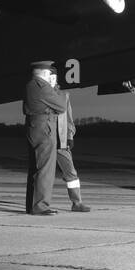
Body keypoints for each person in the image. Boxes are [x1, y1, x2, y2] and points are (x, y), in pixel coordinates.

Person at [23, 60, 66, 215]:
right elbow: (61, 105)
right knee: (45, 169)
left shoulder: (31, 85)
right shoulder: (42, 87)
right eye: (49, 74)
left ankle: (32, 206)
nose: (51, 77)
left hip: (35, 128)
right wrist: (55, 87)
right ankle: (40, 206)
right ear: (43, 73)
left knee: (36, 168)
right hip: (44, 130)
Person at [52, 72, 90, 212]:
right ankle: (38, 203)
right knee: (42, 173)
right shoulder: (40, 95)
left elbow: (69, 118)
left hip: (61, 142)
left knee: (71, 173)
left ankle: (77, 203)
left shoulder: (64, 95)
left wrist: (70, 136)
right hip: (45, 140)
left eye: (53, 77)